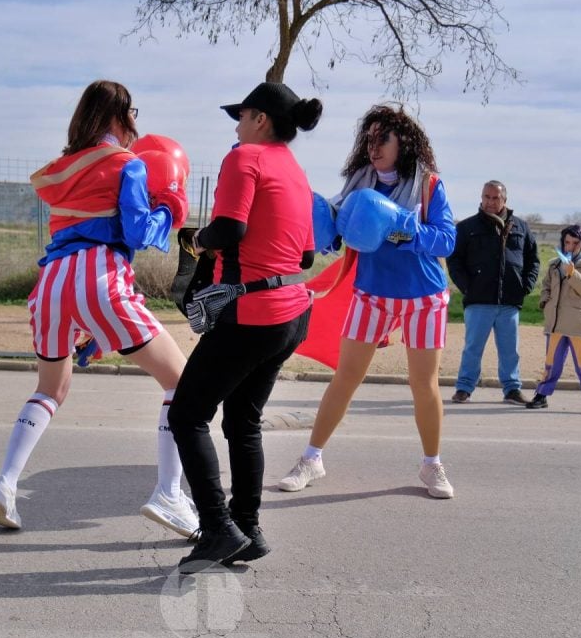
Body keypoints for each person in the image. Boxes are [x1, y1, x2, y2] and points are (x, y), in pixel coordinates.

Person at [0, 80, 199, 539]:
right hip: (101, 275)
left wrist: (93, 327)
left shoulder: (64, 167)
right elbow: (139, 234)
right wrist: (170, 208)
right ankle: (169, 494)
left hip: (51, 281)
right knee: (182, 383)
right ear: (120, 117)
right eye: (132, 113)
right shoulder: (127, 165)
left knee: (49, 390)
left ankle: (4, 484)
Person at [169, 82, 319, 572]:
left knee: (187, 415)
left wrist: (197, 240)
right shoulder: (295, 171)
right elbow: (306, 255)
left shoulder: (245, 158)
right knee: (241, 419)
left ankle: (217, 528)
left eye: (241, 116)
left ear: (259, 119)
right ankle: (247, 528)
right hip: (293, 311)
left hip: (253, 313)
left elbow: (230, 229)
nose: (235, 126)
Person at [277, 105, 457, 500]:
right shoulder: (359, 184)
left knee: (423, 385)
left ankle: (432, 465)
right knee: (345, 379)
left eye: (383, 139)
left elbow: (447, 240)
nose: (374, 147)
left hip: (423, 298)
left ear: (402, 142)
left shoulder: (427, 185)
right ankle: (311, 459)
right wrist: (325, 234)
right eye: (369, 139)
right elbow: (339, 233)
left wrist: (405, 226)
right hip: (372, 295)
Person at [446, 180, 539, 405]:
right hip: (479, 300)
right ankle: (464, 388)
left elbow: (533, 260)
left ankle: (512, 389)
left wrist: (525, 285)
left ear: (504, 200)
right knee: (472, 348)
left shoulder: (521, 227)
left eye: (495, 198)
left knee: (510, 351)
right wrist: (468, 286)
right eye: (486, 197)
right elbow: (454, 259)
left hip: (509, 301)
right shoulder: (467, 228)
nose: (490, 201)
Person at [525, 224, 581, 415]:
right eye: (567, 242)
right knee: (551, 362)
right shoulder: (554, 264)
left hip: (578, 323)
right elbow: (546, 285)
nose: (570, 246)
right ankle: (541, 395)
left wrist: (572, 272)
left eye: (575, 243)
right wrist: (545, 301)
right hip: (556, 321)